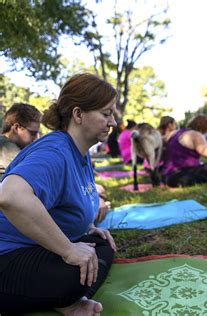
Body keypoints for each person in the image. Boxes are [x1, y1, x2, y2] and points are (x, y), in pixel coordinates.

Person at [0, 73, 117, 315]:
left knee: (102, 245)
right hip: (7, 254)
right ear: (78, 114)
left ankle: (65, 299)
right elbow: (10, 196)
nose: (113, 122)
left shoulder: (80, 152)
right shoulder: (55, 151)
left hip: (33, 247)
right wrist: (69, 249)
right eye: (106, 114)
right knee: (74, 277)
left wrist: (84, 230)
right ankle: (67, 301)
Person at [161, 114, 207, 187]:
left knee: (195, 172)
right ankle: (205, 179)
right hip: (180, 176)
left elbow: (161, 140)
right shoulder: (196, 134)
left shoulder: (174, 133)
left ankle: (202, 179)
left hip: (167, 177)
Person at [0, 102, 42, 175]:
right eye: (32, 133)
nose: (35, 139)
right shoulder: (7, 148)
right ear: (16, 128)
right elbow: (32, 174)